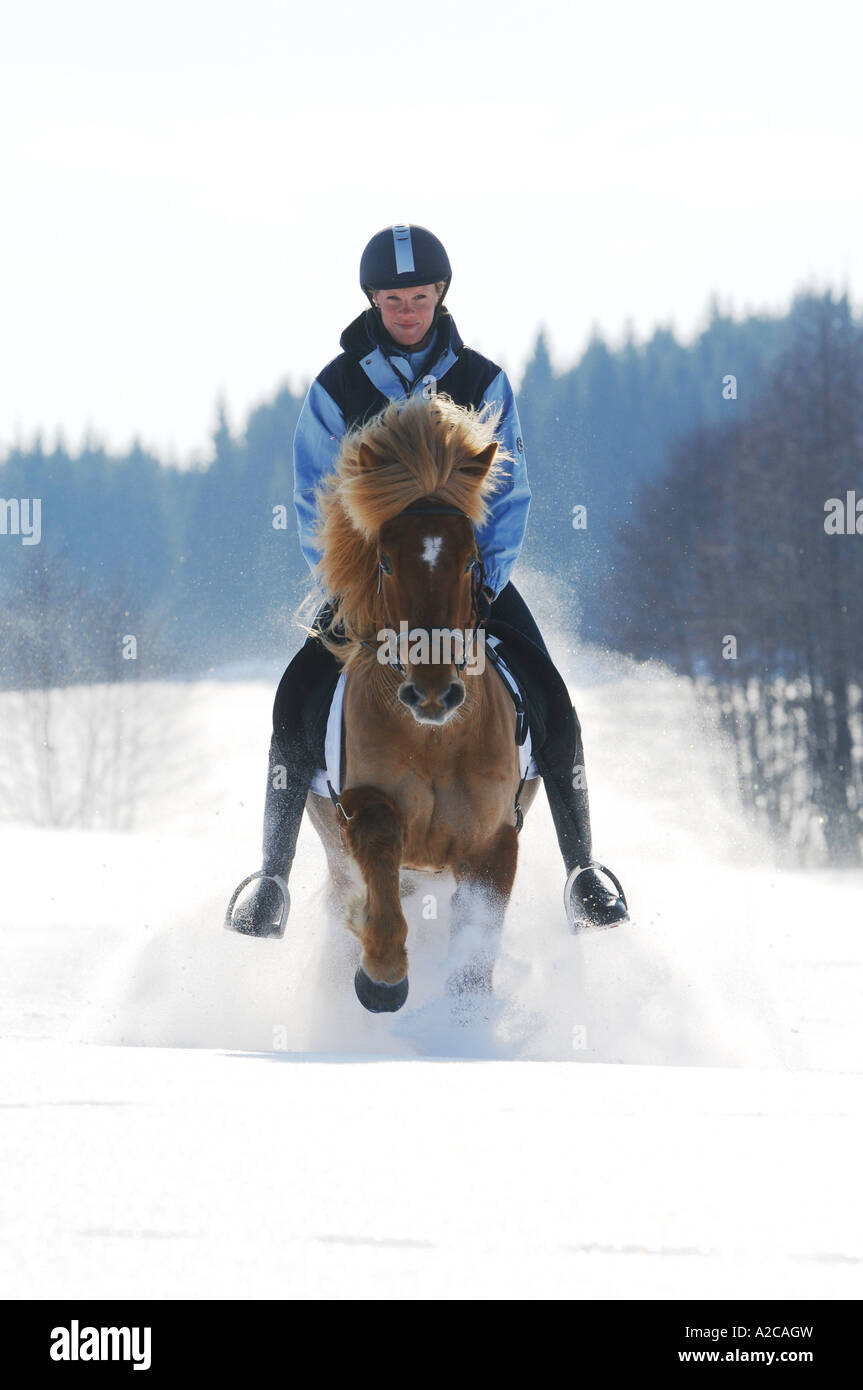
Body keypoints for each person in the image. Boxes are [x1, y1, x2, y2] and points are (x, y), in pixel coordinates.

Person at [225, 224, 628, 938]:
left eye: (418, 296)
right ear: (372, 301)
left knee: (551, 697)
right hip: (370, 587)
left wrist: (484, 583)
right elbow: (313, 494)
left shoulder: (481, 380)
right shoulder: (337, 386)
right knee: (295, 702)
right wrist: (346, 585)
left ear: (440, 295)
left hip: (466, 582)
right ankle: (271, 878)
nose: (406, 310)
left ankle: (583, 868)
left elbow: (509, 492)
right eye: (392, 298)